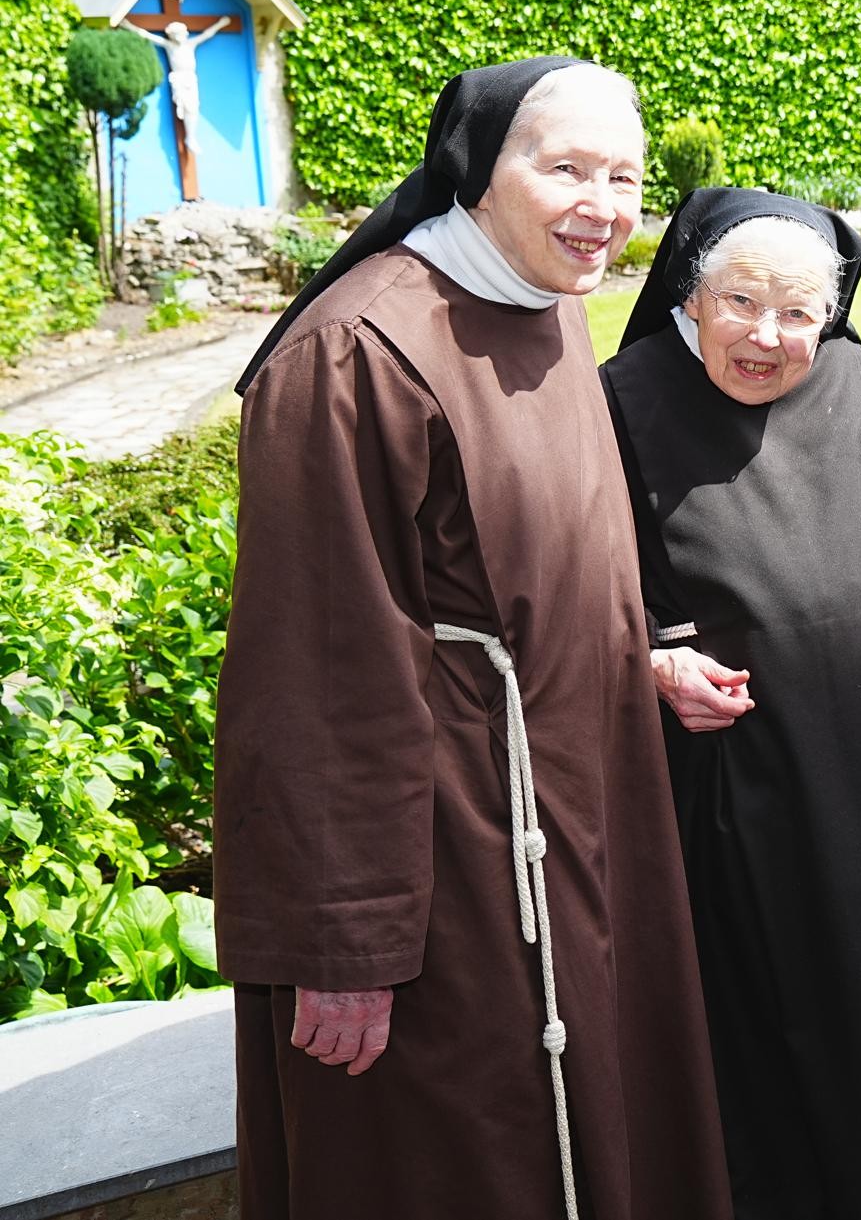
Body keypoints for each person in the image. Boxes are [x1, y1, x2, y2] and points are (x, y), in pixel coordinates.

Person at [215, 59, 730, 1219]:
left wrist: (635, 656)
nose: (603, 204)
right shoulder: (357, 353)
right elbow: (313, 672)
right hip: (444, 877)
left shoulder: (548, 301)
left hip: (584, 811)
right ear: (475, 171)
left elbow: (528, 568)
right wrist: (342, 942)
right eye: (566, 169)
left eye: (625, 175)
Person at [599, 186, 861, 1218]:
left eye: (799, 312)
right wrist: (650, 662)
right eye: (741, 302)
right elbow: (578, 588)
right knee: (759, 1043)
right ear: (690, 297)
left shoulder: (857, 379)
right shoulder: (620, 399)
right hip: (732, 794)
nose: (768, 335)